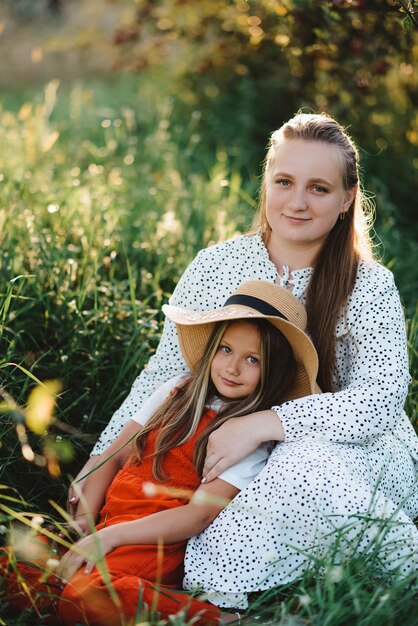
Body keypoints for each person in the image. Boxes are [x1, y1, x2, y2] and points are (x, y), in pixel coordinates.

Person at [70, 111, 418, 609]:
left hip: (343, 446)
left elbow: (378, 400)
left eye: (318, 188)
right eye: (284, 181)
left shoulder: (369, 284)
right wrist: (95, 470)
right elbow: (167, 372)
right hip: (228, 430)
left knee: (292, 471)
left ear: (346, 200)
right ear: (266, 182)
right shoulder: (218, 264)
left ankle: (399, 566)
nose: (297, 202)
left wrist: (262, 424)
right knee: (177, 487)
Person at [0, 281, 319, 626]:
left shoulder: (246, 438)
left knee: (84, 597)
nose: (232, 368)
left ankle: (219, 619)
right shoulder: (175, 391)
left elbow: (198, 516)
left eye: (252, 359)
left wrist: (111, 537)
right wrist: (86, 523)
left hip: (150, 544)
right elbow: (116, 455)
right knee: (13, 565)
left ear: (274, 371)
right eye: (226, 349)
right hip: (103, 524)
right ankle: (63, 593)